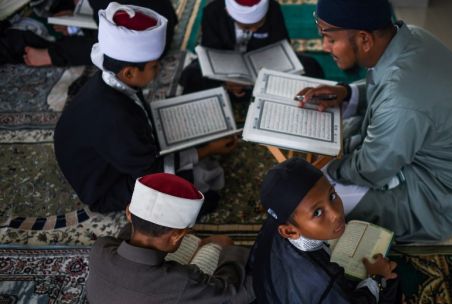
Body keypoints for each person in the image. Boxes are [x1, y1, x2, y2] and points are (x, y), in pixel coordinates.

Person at [296, 0, 452, 241]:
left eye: (330, 39)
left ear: (364, 40)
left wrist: (323, 173)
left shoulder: (401, 100)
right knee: (347, 128)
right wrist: (348, 93)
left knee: (310, 207)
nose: (326, 47)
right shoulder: (411, 37)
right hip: (434, 160)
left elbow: (370, 170)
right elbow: (385, 86)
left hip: (438, 200)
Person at [54, 2, 237, 213]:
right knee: (204, 194)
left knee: (186, 147)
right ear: (130, 72)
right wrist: (208, 150)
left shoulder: (111, 80)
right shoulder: (116, 117)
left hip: (117, 155)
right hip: (107, 188)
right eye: (154, 66)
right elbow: (151, 170)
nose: (158, 70)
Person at [84, 172, 254, 304]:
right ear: (177, 235)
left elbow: (125, 238)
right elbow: (226, 288)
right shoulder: (181, 280)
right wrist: (230, 248)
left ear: (128, 212)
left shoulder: (101, 248)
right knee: (250, 282)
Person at [249, 158, 403, 304]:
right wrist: (376, 277)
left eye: (332, 196)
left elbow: (254, 261)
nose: (337, 214)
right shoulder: (322, 280)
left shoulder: (273, 224)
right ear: (290, 232)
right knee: (389, 284)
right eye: (317, 212)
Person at [178, 0, 324, 97]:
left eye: (259, 24)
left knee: (310, 66)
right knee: (192, 74)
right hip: (227, 68)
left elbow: (281, 46)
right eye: (247, 26)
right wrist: (228, 80)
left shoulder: (272, 8)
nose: (254, 29)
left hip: (263, 66)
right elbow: (211, 51)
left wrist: (259, 74)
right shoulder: (213, 12)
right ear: (229, 13)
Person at [0, 0, 177, 67]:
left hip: (151, 41)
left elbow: (106, 47)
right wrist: (75, 22)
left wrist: (51, 55)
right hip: (161, 23)